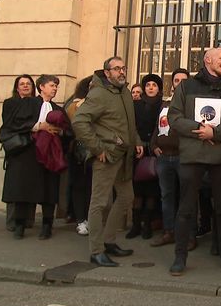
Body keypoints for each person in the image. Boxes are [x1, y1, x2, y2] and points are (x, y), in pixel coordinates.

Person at [167, 48, 221, 276]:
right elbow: (174, 117)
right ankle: (180, 257)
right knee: (186, 209)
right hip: (192, 155)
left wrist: (216, 133)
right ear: (207, 60)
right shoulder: (186, 87)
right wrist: (200, 130)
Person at [72, 56, 144, 267]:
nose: (122, 72)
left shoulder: (125, 92)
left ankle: (109, 241)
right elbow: (79, 122)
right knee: (100, 202)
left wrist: (137, 140)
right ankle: (96, 251)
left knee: (126, 197)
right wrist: (97, 148)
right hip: (106, 156)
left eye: (124, 68)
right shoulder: (98, 94)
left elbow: (129, 123)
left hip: (125, 154)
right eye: (117, 69)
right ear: (107, 73)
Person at [1, 74, 68, 240]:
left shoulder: (58, 109)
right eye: (52, 85)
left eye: (56, 86)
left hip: (50, 155)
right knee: (24, 190)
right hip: (28, 153)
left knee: (48, 190)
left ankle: (47, 226)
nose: (55, 89)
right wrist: (38, 126)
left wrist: (59, 131)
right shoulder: (27, 103)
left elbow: (69, 131)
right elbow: (14, 123)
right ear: (42, 87)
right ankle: (19, 225)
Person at [150, 68, 189, 247]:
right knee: (166, 196)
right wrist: (154, 146)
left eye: (183, 80)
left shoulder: (191, 105)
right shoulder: (165, 105)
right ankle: (168, 231)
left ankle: (188, 235)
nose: (179, 83)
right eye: (176, 80)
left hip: (183, 157)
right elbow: (157, 127)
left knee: (186, 197)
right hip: (164, 158)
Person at [126, 73, 163, 240]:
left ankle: (147, 224)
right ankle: (135, 225)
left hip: (154, 151)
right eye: (148, 85)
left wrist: (154, 145)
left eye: (154, 85)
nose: (151, 88)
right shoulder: (136, 105)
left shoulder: (163, 106)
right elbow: (130, 126)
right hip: (138, 150)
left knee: (152, 191)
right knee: (138, 190)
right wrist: (138, 142)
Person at [5, 75, 37, 232]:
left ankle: (29, 220)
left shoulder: (37, 103)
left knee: (31, 185)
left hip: (33, 150)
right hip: (17, 149)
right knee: (14, 187)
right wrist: (33, 127)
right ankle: (12, 222)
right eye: (22, 84)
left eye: (28, 84)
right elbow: (11, 124)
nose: (25, 86)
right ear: (17, 88)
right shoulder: (10, 103)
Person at [65, 76, 93, 236]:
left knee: (91, 186)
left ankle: (88, 218)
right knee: (79, 185)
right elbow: (74, 125)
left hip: (94, 150)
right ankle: (80, 219)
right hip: (78, 151)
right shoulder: (75, 104)